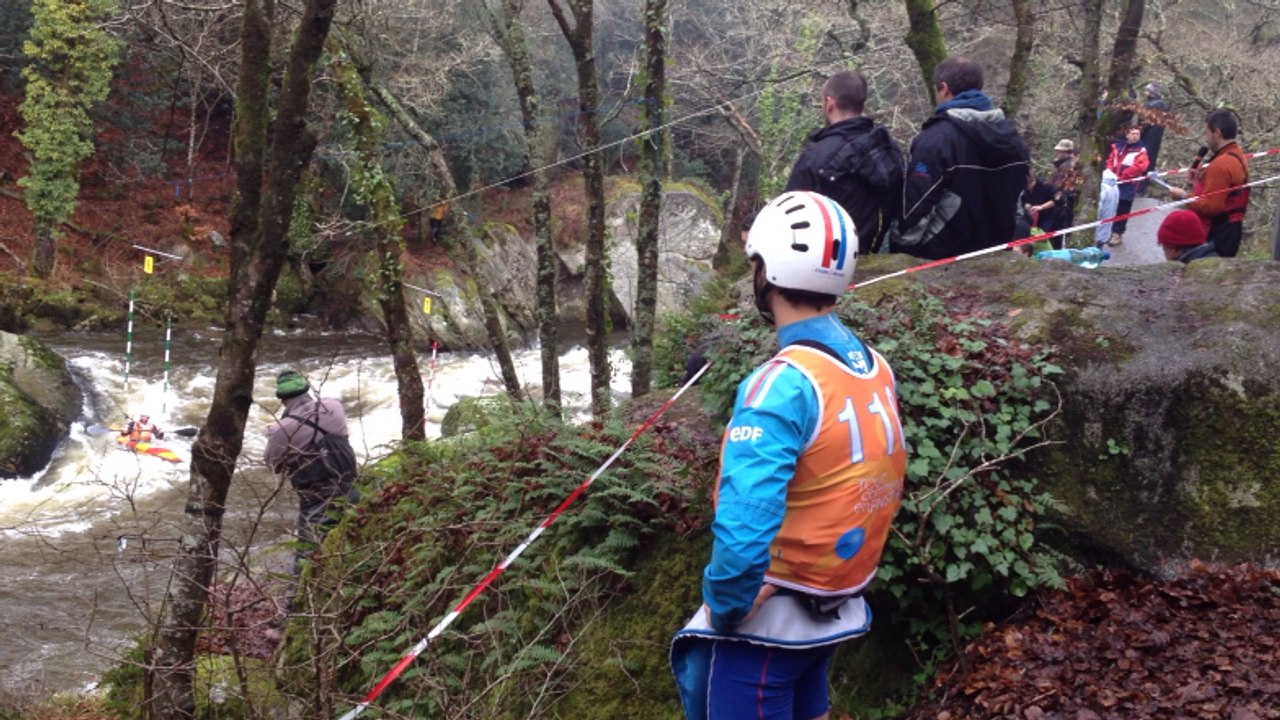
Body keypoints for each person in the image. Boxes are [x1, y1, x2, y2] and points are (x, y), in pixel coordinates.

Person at [671, 191, 907, 720]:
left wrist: (726, 609)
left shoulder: (781, 386)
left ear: (767, 272)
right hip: (833, 604)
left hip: (768, 625)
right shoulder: (874, 368)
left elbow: (745, 521)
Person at [889, 57, 1030, 260]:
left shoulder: (936, 139)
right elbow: (1019, 201)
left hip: (940, 258)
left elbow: (916, 204)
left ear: (944, 89)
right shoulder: (1013, 140)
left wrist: (901, 253)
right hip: (996, 257)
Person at [784, 70, 904, 255]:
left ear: (830, 103)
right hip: (875, 254)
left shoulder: (815, 157)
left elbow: (788, 216)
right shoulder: (888, 150)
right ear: (863, 104)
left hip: (823, 261)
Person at [264, 370, 359, 564]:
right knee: (352, 544)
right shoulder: (334, 406)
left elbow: (273, 464)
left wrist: (276, 432)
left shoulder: (281, 430)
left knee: (307, 558)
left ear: (282, 399)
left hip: (317, 502)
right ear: (307, 389)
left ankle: (299, 592)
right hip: (351, 488)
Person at [1166, 109, 1250, 257]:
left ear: (1217, 133)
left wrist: (1184, 196)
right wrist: (1200, 182)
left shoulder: (1220, 165)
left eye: (1207, 133)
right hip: (1232, 229)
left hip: (1217, 234)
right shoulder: (1237, 154)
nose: (1206, 138)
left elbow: (1211, 207)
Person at [1103, 124, 1149, 246]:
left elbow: (1141, 166)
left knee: (1123, 209)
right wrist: (1110, 172)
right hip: (1113, 181)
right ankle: (1106, 231)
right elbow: (1110, 161)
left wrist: (1124, 175)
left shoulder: (1141, 150)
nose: (1135, 136)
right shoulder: (1117, 147)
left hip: (1128, 184)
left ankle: (1117, 234)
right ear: (1127, 134)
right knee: (1110, 206)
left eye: (1137, 134)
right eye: (1133, 134)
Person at [1047, 139, 1084, 235]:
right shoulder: (1066, 164)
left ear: (1064, 152)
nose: (1057, 153)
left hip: (1063, 205)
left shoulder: (1067, 166)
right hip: (1064, 203)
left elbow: (1058, 186)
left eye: (1059, 151)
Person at [1138, 82, 1170, 193]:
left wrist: (1138, 132)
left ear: (1151, 93)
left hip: (1147, 137)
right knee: (1151, 161)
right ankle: (1144, 186)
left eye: (1147, 90)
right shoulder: (1165, 106)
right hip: (1157, 138)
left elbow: (1144, 123)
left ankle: (1139, 187)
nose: (1145, 93)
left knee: (1142, 160)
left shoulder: (1150, 105)